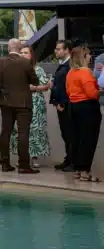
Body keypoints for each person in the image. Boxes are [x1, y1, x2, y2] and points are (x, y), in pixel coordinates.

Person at [0, 38, 39, 174]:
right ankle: (23, 165)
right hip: (23, 103)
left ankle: (5, 163)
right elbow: (35, 80)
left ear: (8, 48)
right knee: (23, 134)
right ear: (19, 47)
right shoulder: (25, 63)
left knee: (6, 132)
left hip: (5, 102)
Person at [66, 46, 102, 182]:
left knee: (77, 139)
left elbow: (69, 91)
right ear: (83, 57)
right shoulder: (85, 72)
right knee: (88, 139)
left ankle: (77, 170)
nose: (90, 57)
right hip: (87, 108)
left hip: (73, 107)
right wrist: (101, 90)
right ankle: (85, 171)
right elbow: (92, 94)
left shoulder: (70, 73)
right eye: (88, 55)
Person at [12, 45, 51, 168]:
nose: (23, 54)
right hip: (19, 102)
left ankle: (34, 157)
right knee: (20, 130)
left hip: (36, 103)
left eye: (26, 52)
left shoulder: (38, 69)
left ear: (31, 55)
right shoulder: (15, 69)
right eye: (21, 52)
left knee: (35, 130)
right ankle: (22, 158)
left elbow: (46, 85)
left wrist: (34, 88)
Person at [50, 40, 75, 172]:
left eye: (59, 49)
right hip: (61, 104)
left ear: (67, 50)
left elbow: (67, 87)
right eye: (56, 49)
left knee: (70, 133)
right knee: (65, 133)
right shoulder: (62, 65)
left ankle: (73, 161)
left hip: (67, 105)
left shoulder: (69, 66)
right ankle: (69, 159)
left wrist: (62, 103)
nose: (56, 51)